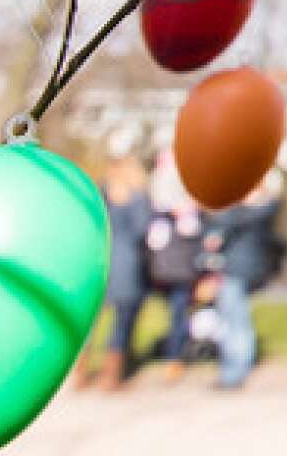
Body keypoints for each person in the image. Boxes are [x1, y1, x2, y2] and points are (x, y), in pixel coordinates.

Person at [203, 170, 282, 390]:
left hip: (235, 269)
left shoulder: (242, 212)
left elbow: (220, 232)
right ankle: (240, 365)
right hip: (250, 270)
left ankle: (233, 371)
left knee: (233, 321)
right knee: (240, 320)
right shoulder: (266, 209)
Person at [85, 151, 151, 391]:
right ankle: (110, 376)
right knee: (122, 320)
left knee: (91, 319)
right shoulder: (137, 197)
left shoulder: (102, 194)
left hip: (102, 259)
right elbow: (143, 230)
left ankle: (79, 372)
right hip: (127, 262)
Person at [146, 148, 205, 380]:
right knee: (178, 313)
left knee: (178, 313)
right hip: (175, 269)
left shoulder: (169, 217)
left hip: (171, 269)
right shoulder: (171, 216)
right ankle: (174, 355)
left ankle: (174, 356)